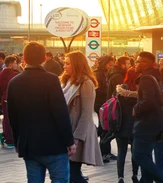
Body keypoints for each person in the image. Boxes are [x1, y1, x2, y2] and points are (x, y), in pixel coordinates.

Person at [7, 42, 76, 183]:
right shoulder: (51, 80)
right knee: (60, 179)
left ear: (24, 59)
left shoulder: (14, 82)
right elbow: (60, 113)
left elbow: (12, 117)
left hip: (30, 145)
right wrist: (69, 141)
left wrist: (17, 141)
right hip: (54, 144)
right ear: (44, 58)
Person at [61, 51, 104, 182]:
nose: (64, 66)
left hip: (78, 132)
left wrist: (77, 137)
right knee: (70, 172)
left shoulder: (86, 83)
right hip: (67, 131)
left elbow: (86, 112)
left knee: (72, 173)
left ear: (77, 64)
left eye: (67, 63)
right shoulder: (67, 81)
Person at [132, 73, 163, 183]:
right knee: (146, 156)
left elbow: (148, 101)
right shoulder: (153, 79)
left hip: (145, 126)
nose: (136, 64)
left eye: (139, 61)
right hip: (153, 126)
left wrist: (136, 108)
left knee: (138, 155)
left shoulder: (145, 80)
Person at [114, 84, 140, 183]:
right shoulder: (136, 100)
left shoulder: (117, 99)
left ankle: (120, 177)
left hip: (120, 129)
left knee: (121, 152)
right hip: (134, 130)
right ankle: (135, 175)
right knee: (134, 153)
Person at [94, 55, 115, 163]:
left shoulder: (104, 73)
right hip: (100, 104)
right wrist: (108, 91)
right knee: (104, 127)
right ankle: (103, 152)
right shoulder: (99, 74)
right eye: (109, 64)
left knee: (105, 127)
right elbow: (98, 89)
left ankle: (106, 151)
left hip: (104, 103)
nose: (110, 66)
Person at [0, 55, 20, 147]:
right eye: (15, 63)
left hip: (4, 99)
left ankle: (6, 136)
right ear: (11, 64)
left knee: (6, 119)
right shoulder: (15, 75)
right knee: (11, 119)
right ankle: (10, 139)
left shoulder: (1, 74)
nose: (16, 65)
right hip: (13, 99)